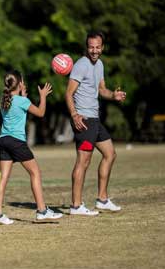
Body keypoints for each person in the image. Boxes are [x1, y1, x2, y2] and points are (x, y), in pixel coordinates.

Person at [65, 31, 127, 216]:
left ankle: (102, 199)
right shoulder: (81, 65)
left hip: (95, 119)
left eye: (97, 47)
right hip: (83, 120)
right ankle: (76, 206)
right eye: (91, 47)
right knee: (83, 162)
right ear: (87, 47)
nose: (94, 50)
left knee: (110, 154)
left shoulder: (99, 64)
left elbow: (102, 89)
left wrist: (113, 95)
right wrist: (75, 114)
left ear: (102, 47)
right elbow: (68, 93)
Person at [0, 71, 63, 224]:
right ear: (20, 83)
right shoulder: (22, 101)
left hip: (3, 140)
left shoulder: (4, 100)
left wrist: (23, 96)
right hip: (17, 141)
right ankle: (42, 211)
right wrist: (42, 96)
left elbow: (16, 108)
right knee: (35, 173)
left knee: (3, 178)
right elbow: (41, 113)